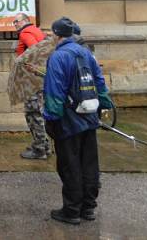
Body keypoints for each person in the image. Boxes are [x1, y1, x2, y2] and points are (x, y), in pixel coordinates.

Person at [44, 18, 113, 225]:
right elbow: (99, 81)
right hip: (89, 115)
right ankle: (88, 207)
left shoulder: (58, 57)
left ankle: (72, 210)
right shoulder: (85, 52)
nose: (50, 36)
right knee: (89, 162)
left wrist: (51, 118)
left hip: (69, 119)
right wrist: (104, 104)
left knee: (69, 164)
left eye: (52, 33)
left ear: (58, 35)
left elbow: (54, 92)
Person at [13, 13, 51, 160]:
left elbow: (35, 50)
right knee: (38, 112)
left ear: (25, 21)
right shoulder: (36, 31)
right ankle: (44, 145)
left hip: (32, 81)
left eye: (17, 21)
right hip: (39, 78)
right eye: (13, 22)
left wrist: (27, 65)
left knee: (33, 113)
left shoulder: (25, 33)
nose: (15, 24)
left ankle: (40, 149)